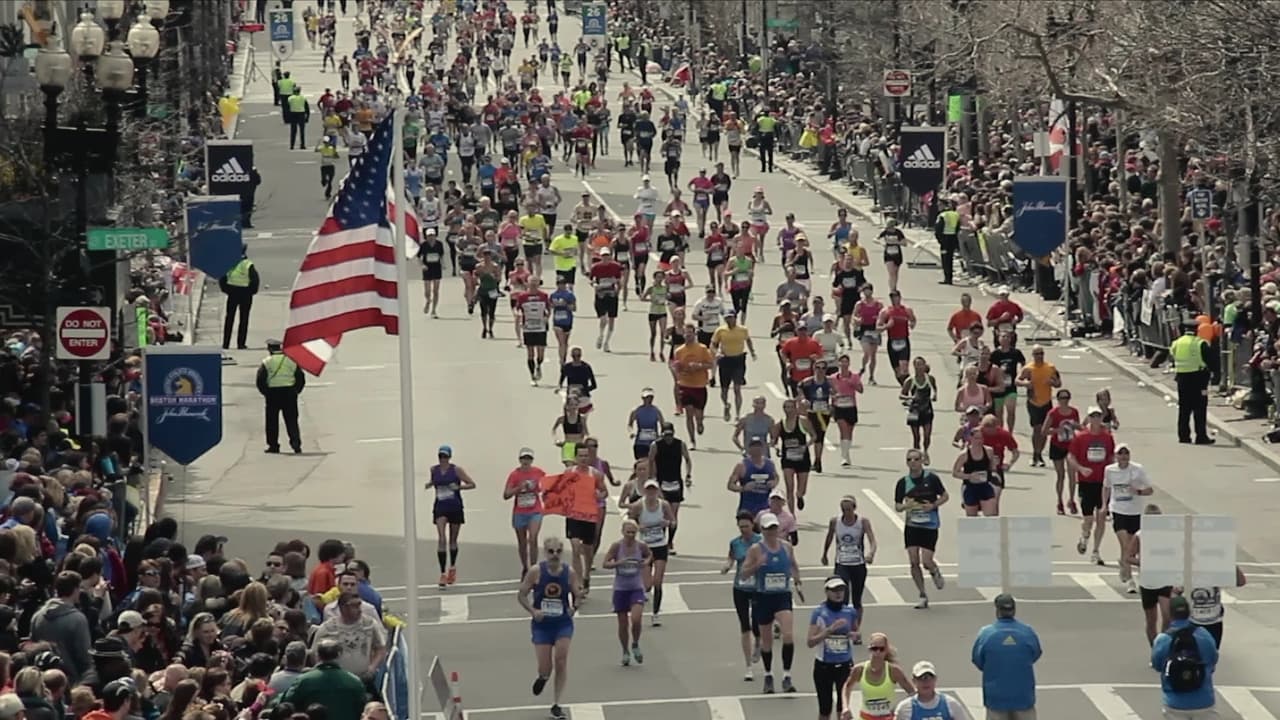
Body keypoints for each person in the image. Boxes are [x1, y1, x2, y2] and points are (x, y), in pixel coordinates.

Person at [739, 512, 803, 694]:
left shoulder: (787, 547)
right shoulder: (755, 550)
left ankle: (787, 676)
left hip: (782, 595)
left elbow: (793, 564)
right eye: (768, 529)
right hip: (763, 597)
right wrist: (757, 564)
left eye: (774, 528)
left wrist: (797, 579)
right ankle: (768, 675)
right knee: (766, 641)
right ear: (763, 530)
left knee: (788, 635)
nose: (772, 532)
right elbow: (744, 574)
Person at [518, 537, 581, 720]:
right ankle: (543, 676)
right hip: (542, 625)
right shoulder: (536, 572)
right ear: (545, 552)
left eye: (558, 552)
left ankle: (556, 703)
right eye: (551, 552)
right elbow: (521, 594)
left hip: (562, 623)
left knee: (561, 660)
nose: (555, 555)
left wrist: (573, 607)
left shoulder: (569, 572)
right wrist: (532, 610)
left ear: (562, 552)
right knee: (546, 666)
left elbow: (577, 594)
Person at [971, 594, 1041, 720]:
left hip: (996, 699)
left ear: (997, 611)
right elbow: (1035, 654)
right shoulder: (1027, 632)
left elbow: (978, 660)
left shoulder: (986, 634)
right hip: (1023, 697)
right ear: (1014, 610)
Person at [1152, 595, 1219, 720]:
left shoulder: (1163, 639)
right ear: (1189, 613)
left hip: (1174, 702)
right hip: (1204, 700)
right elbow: (1213, 659)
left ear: (1170, 614)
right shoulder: (1204, 635)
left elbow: (1157, 664)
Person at [602, 519, 652, 665]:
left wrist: (646, 562)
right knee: (623, 623)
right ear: (622, 532)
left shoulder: (640, 546)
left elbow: (649, 555)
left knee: (636, 619)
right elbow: (605, 563)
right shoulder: (617, 546)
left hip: (636, 587)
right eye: (628, 532)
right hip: (620, 589)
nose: (630, 535)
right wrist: (618, 563)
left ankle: (635, 643)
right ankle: (625, 651)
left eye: (633, 532)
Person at [276, 638, 367, 720]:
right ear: (339, 655)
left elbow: (285, 704)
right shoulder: (355, 682)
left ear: (317, 655)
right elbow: (363, 709)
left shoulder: (304, 680)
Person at [808, 577, 856, 720]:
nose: (838, 593)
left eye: (841, 589)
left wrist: (853, 635)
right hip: (824, 666)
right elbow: (810, 642)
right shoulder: (819, 612)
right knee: (825, 709)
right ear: (827, 592)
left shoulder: (850, 611)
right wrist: (828, 631)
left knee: (843, 708)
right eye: (834, 590)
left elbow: (855, 632)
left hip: (845, 665)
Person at [838, 631, 914, 720]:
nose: (877, 652)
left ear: (886, 651)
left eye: (881, 649)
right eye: (874, 648)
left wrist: (900, 708)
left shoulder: (893, 671)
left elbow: (912, 693)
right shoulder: (859, 669)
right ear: (869, 649)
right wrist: (845, 707)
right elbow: (847, 687)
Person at [430, 445, 476, 588]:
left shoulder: (456, 470)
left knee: (452, 540)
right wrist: (430, 484)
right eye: (441, 456)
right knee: (441, 538)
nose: (443, 459)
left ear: (449, 457)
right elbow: (436, 482)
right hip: (440, 506)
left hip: (455, 506)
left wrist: (459, 487)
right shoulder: (434, 470)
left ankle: (452, 568)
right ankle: (442, 573)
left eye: (445, 456)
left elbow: (472, 484)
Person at [1169, 319, 1215, 445]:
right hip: (1198, 379)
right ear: (1196, 330)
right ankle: (1201, 436)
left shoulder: (1176, 343)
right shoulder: (1200, 343)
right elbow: (1210, 360)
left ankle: (1183, 436)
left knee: (1184, 408)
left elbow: (1172, 356)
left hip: (1182, 379)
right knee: (1199, 409)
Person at [255, 339, 305, 454]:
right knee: (292, 420)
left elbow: (260, 380)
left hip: (273, 394)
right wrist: (296, 391)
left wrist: (266, 393)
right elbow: (300, 377)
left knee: (272, 421)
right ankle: (296, 444)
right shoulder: (291, 360)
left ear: (269, 349)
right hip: (289, 393)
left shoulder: (267, 362)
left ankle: (273, 446)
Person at [506, 448, 547, 578]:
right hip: (520, 512)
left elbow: (548, 486)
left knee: (533, 538)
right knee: (522, 542)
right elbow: (506, 494)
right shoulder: (514, 475)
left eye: (528, 459)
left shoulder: (538, 472)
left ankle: (534, 569)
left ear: (532, 460)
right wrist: (519, 487)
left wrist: (539, 488)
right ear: (520, 460)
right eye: (524, 459)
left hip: (535, 510)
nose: (526, 461)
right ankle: (525, 566)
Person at [893, 661, 973, 720]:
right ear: (914, 681)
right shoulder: (904, 708)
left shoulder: (951, 704)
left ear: (935, 679)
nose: (926, 682)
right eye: (921, 678)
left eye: (929, 678)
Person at [219, 244, 260, 351]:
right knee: (244, 319)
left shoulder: (229, 263)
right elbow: (255, 280)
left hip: (232, 293)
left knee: (229, 318)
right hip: (246, 294)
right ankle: (241, 344)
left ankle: (226, 343)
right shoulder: (248, 264)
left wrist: (227, 290)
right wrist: (251, 292)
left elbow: (222, 278)